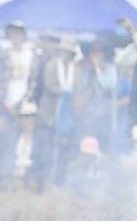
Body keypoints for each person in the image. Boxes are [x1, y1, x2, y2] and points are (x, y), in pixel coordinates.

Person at [32, 38, 78, 190]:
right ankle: (41, 181)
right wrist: (65, 92)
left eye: (68, 53)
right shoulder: (51, 66)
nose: (66, 55)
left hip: (67, 116)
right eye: (64, 52)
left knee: (63, 151)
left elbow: (78, 89)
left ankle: (59, 182)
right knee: (45, 149)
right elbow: (49, 85)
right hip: (49, 113)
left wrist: (72, 97)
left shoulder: (75, 69)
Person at [73, 41, 116, 154]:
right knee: (86, 146)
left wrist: (97, 69)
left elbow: (108, 85)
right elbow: (80, 88)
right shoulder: (85, 70)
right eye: (94, 52)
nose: (96, 55)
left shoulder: (110, 69)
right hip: (86, 115)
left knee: (103, 146)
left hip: (104, 115)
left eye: (99, 52)